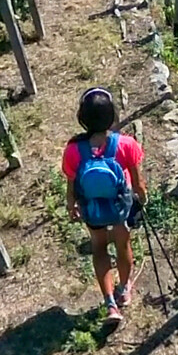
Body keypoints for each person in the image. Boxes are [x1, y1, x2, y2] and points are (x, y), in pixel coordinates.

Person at [63, 87, 147, 322]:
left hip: (92, 209)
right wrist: (143, 198)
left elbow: (71, 183)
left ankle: (110, 303)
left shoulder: (73, 149)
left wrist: (72, 205)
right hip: (120, 207)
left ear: (83, 119)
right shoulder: (126, 145)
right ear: (112, 116)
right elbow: (138, 181)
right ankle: (124, 290)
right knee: (123, 245)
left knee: (99, 247)